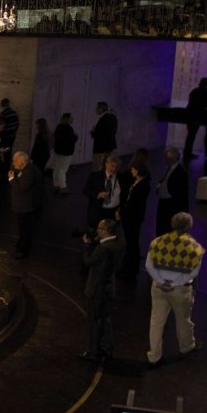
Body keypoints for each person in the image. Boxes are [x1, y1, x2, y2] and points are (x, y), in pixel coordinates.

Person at [145, 212, 204, 366]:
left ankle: (154, 356)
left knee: (156, 322)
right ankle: (186, 347)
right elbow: (193, 272)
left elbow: (149, 265)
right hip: (180, 291)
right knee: (183, 320)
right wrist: (175, 283)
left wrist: (160, 281)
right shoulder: (195, 247)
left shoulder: (157, 242)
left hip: (158, 288)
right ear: (188, 227)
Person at [81, 219, 122, 362]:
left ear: (105, 230)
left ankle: (94, 352)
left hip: (97, 289)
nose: (97, 231)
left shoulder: (103, 248)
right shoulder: (118, 244)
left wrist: (86, 246)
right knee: (106, 320)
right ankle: (107, 349)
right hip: (109, 288)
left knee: (95, 321)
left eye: (99, 228)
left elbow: (88, 261)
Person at [117, 159, 150, 281]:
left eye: (133, 169)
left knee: (132, 243)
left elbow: (134, 205)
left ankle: (131, 271)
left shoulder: (143, 185)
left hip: (133, 218)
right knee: (130, 243)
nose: (131, 171)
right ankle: (128, 268)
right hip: (130, 217)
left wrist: (122, 213)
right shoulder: (137, 182)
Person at [8, 151, 44, 258]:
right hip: (22, 206)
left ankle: (23, 251)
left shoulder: (30, 172)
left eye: (15, 161)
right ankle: (20, 246)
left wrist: (11, 179)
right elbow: (13, 170)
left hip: (27, 207)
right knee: (22, 228)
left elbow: (22, 188)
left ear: (22, 162)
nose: (13, 163)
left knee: (26, 229)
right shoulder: (22, 168)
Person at [154, 147, 189, 237]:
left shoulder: (180, 172)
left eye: (167, 158)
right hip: (165, 202)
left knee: (166, 227)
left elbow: (180, 193)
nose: (165, 160)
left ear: (172, 159)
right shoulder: (171, 168)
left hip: (171, 205)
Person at [83, 155, 122, 231]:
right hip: (98, 211)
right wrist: (98, 194)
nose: (114, 169)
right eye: (112, 166)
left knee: (111, 233)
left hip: (113, 212)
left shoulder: (121, 177)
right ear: (106, 164)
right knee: (95, 233)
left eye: (116, 167)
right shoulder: (95, 176)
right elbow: (86, 190)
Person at [183, 78, 207, 160]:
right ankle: (188, 153)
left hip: (190, 114)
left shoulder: (194, 91)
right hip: (197, 116)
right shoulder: (206, 92)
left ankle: (187, 152)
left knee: (190, 135)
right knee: (192, 135)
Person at [52, 113, 78, 193]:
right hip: (66, 152)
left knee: (57, 168)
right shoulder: (68, 129)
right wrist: (75, 137)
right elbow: (71, 140)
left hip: (58, 151)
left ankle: (56, 185)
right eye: (71, 118)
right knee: (63, 169)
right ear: (67, 119)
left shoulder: (59, 127)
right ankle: (63, 187)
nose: (72, 119)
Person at [89, 101, 117, 170]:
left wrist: (93, 133)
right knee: (107, 166)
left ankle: (98, 180)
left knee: (97, 166)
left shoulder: (103, 119)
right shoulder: (113, 117)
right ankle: (105, 180)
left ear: (101, 108)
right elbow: (113, 131)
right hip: (109, 146)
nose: (96, 110)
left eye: (97, 108)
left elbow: (100, 134)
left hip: (100, 147)